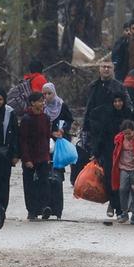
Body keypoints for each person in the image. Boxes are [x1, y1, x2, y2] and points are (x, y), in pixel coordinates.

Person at [94, 93, 134, 218]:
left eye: (120, 101)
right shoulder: (108, 116)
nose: (118, 104)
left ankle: (123, 209)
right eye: (115, 101)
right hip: (111, 153)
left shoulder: (130, 115)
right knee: (111, 180)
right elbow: (102, 135)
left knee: (126, 183)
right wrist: (96, 153)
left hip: (127, 154)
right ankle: (115, 205)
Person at [42, 82, 74, 219]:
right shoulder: (41, 107)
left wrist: (62, 130)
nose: (47, 96)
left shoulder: (62, 106)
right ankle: (46, 207)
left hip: (58, 146)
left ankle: (57, 209)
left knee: (57, 177)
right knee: (45, 176)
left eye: (49, 93)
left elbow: (69, 120)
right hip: (44, 146)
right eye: (44, 94)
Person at [19, 92, 52, 220]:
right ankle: (32, 210)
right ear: (32, 103)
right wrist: (26, 159)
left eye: (43, 101)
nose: (42, 103)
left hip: (43, 156)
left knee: (44, 182)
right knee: (29, 184)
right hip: (30, 157)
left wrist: (47, 156)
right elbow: (23, 140)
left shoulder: (46, 118)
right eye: (39, 101)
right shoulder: (27, 119)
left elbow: (47, 137)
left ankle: (44, 207)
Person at [111, 120, 134, 225]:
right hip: (123, 168)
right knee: (122, 189)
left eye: (129, 133)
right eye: (125, 133)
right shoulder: (119, 139)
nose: (127, 136)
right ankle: (124, 212)